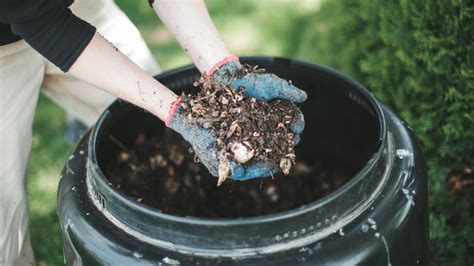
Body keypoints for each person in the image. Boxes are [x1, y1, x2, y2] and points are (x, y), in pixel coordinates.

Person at [0, 0, 307, 264]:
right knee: (5, 221)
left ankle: (184, 224)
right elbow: (45, 25)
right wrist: (177, 112)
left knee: (154, 142)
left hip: (69, 8)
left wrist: (222, 68)